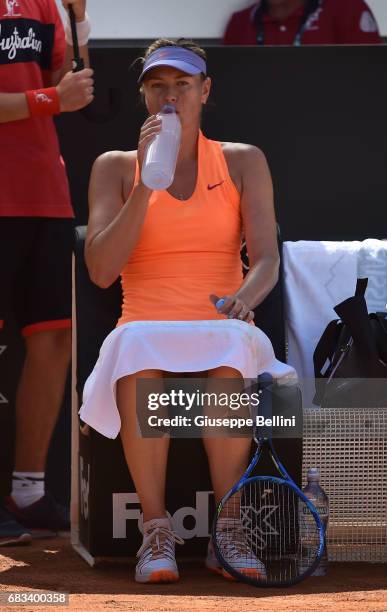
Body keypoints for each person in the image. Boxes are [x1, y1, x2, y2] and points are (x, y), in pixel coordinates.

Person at [80, 38, 296, 583]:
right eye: (158, 86)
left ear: (205, 91)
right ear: (144, 97)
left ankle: (229, 530)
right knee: (134, 351)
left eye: (182, 84)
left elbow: (267, 257)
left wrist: (244, 300)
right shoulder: (114, 167)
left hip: (221, 321)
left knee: (229, 352)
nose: (170, 96)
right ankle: (156, 533)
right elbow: (102, 269)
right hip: (144, 325)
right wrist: (145, 185)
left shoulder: (244, 161)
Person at [0, 0, 94, 546]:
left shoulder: (42, 4)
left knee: (54, 337)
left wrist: (79, 20)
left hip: (45, 193)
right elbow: (53, 97)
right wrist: (49, 99)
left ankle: (28, 491)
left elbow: (69, 89)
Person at [224, 0, 382, 46]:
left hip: (335, 121)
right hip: (257, 121)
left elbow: (372, 83)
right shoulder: (240, 21)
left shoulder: (348, 8)